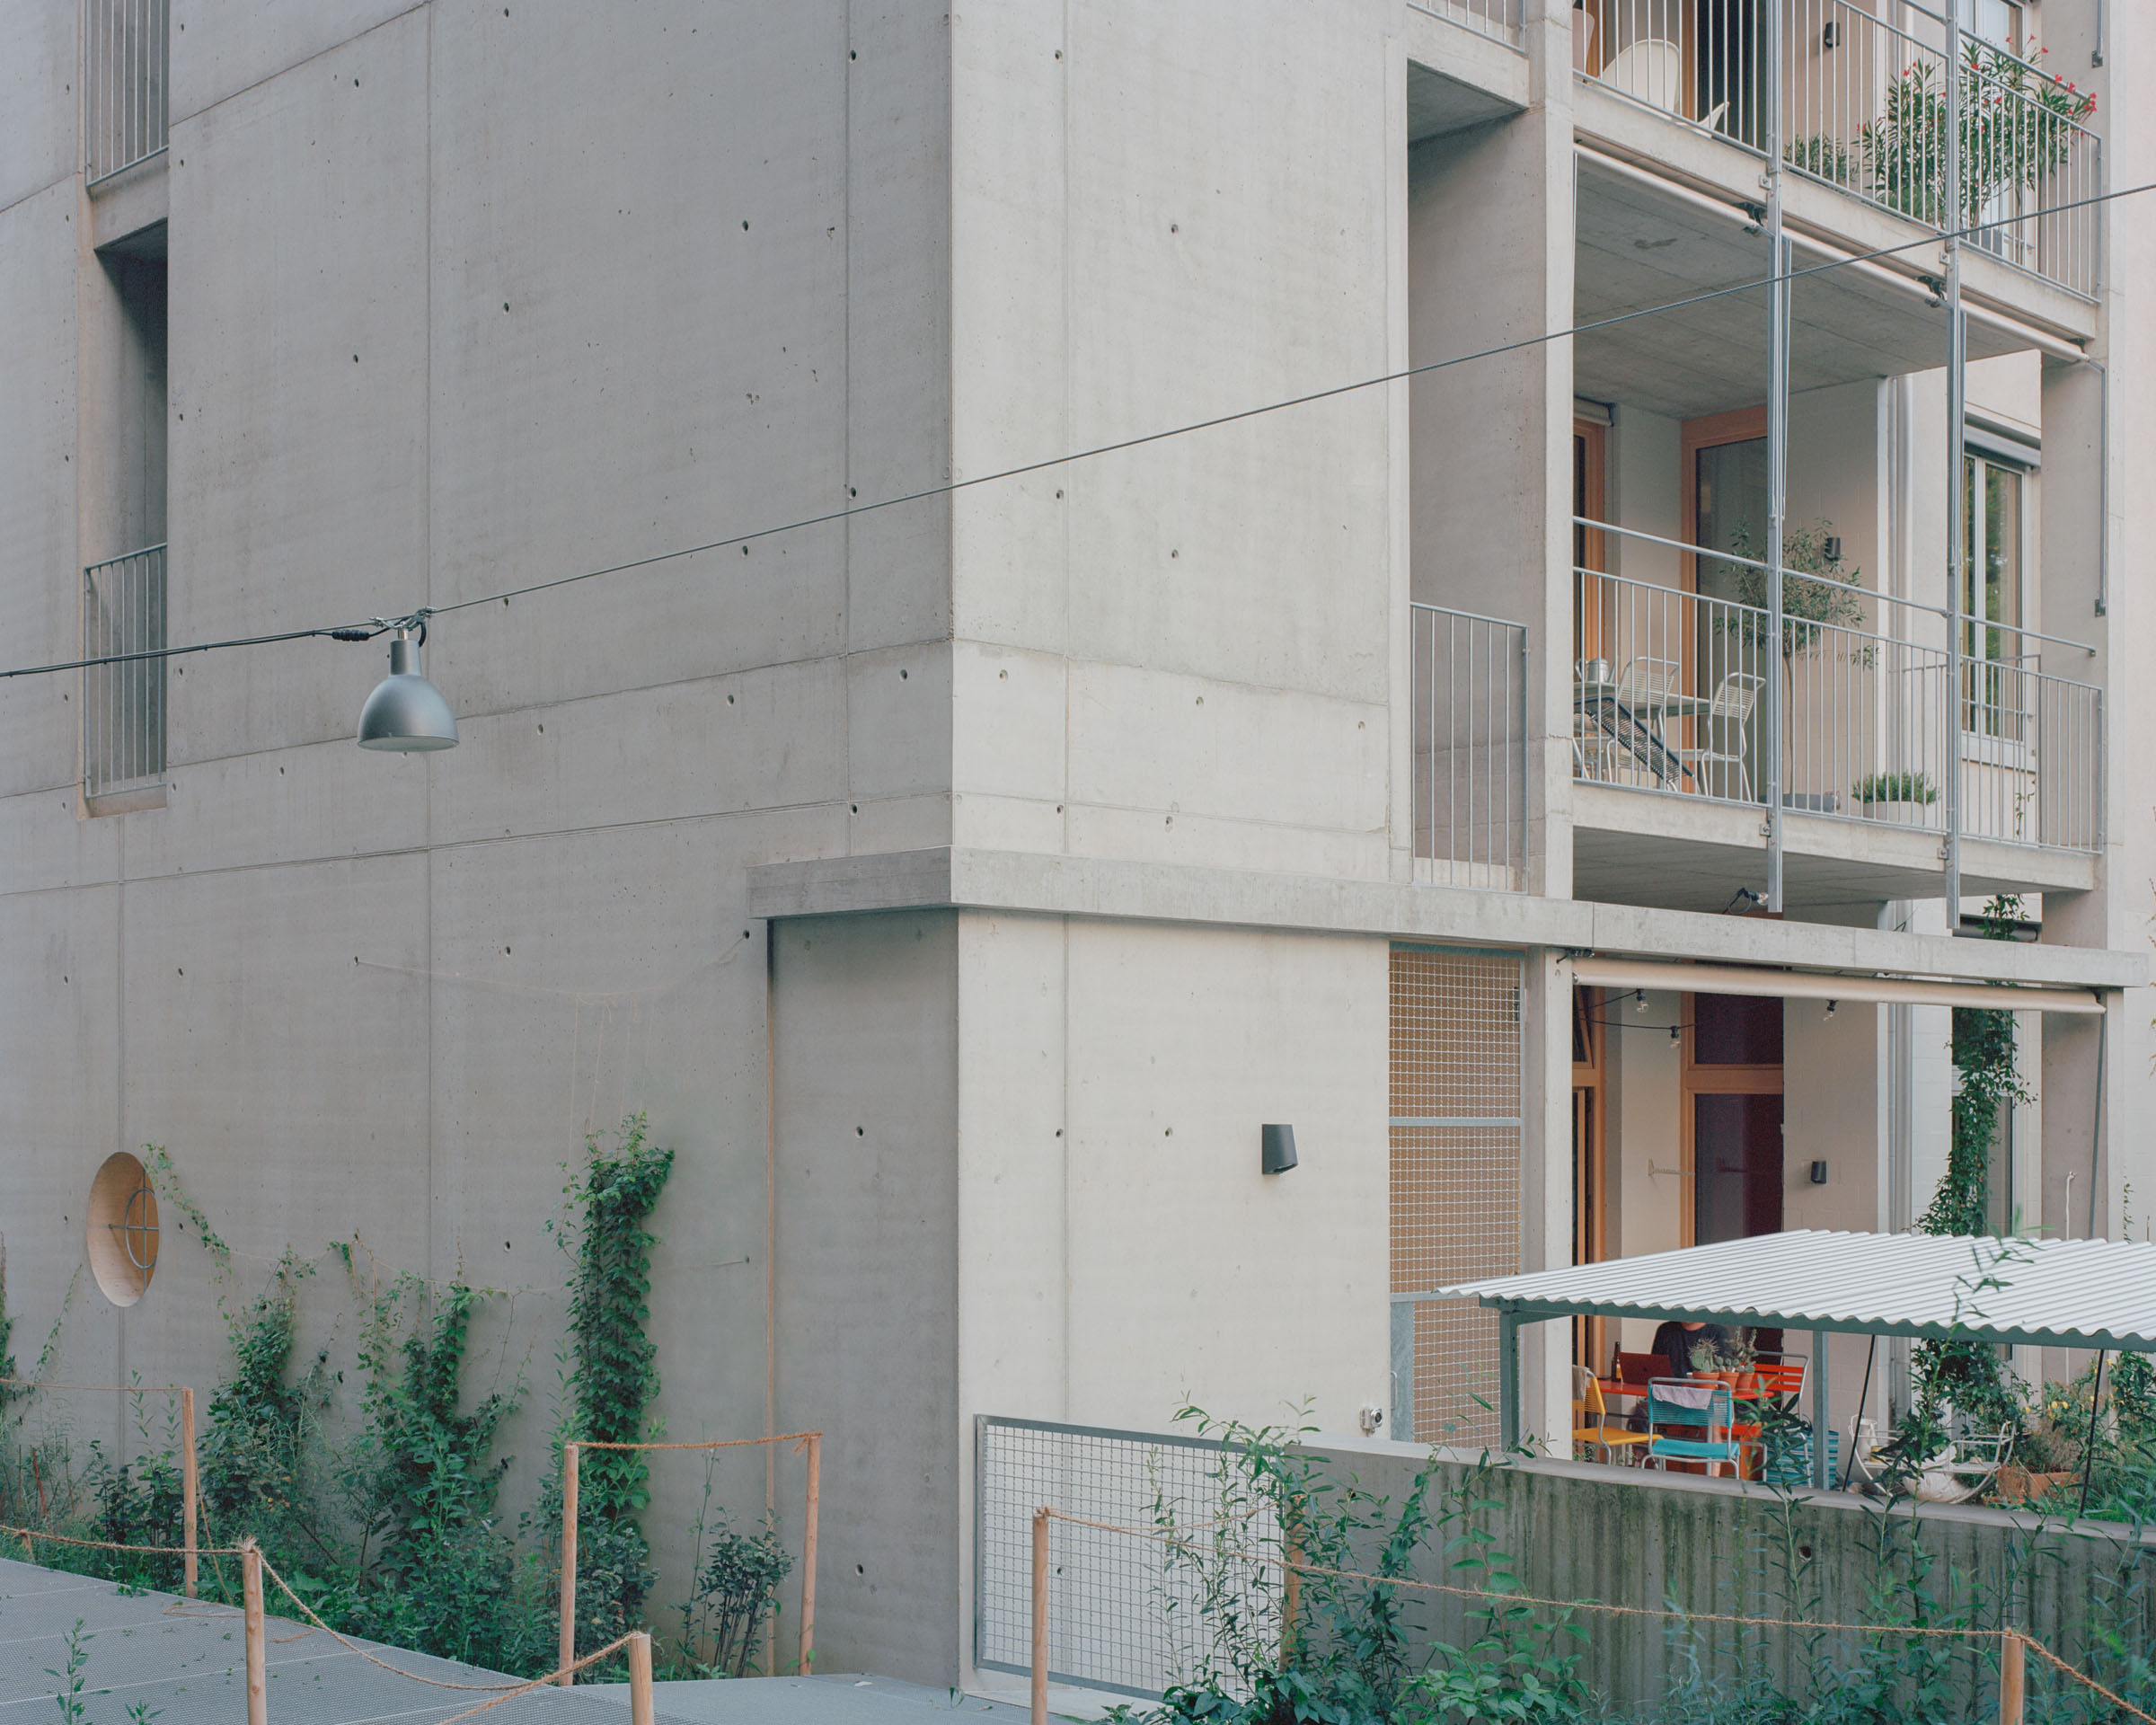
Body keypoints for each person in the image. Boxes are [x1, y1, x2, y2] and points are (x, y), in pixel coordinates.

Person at [1648, 1319, 1738, 1379]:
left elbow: (1723, 1371)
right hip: (1666, 1393)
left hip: (1705, 1395)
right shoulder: (1665, 1329)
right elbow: (1654, 1367)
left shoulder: (1718, 1332)